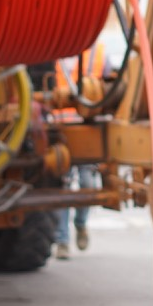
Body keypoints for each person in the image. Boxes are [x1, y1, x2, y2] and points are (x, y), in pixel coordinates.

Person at [52, 39, 110, 259]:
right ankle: (62, 241)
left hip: (86, 130)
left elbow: (109, 86)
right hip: (59, 131)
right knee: (63, 188)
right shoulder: (53, 50)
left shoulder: (98, 53)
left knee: (87, 184)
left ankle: (81, 223)